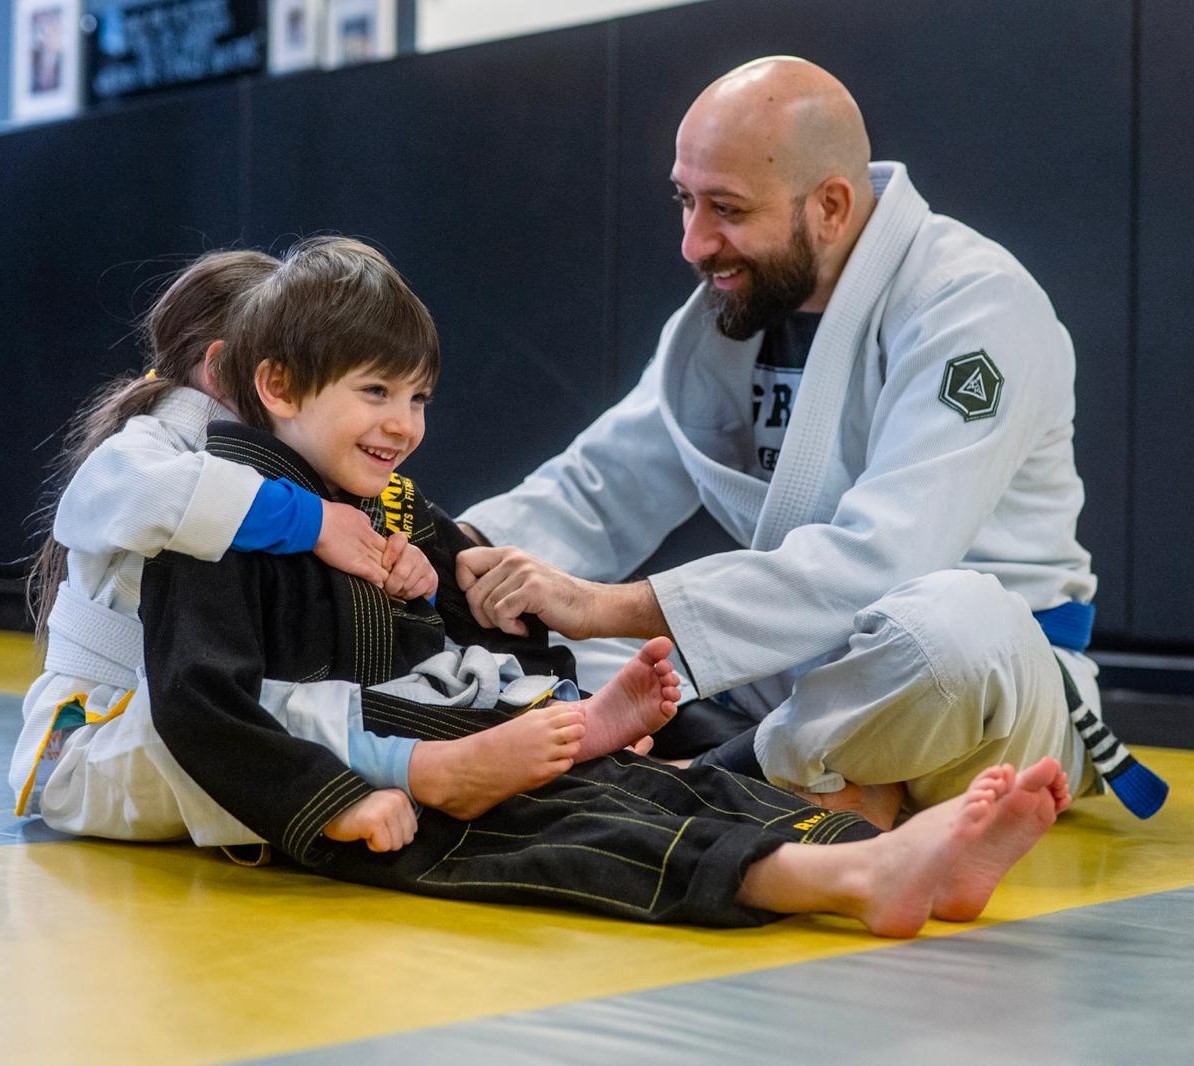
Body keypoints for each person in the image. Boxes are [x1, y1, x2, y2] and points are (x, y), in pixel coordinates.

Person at [140, 233, 1072, 935]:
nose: (404, 424)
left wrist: (460, 582)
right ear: (273, 384)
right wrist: (333, 797)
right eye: (375, 394)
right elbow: (199, 701)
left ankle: (896, 855)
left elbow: (478, 587)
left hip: (463, 724)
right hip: (388, 773)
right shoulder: (210, 512)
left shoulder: (378, 497)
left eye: (417, 397)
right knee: (592, 829)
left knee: (651, 786)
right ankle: (853, 879)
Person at [454, 56, 1166, 827]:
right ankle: (843, 784)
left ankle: (722, 771)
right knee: (526, 647)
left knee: (951, 626)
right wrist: (446, 550)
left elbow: (883, 563)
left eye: (725, 208)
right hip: (801, 673)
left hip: (972, 687)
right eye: (684, 201)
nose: (694, 243)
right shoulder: (733, 314)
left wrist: (608, 602)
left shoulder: (972, 306)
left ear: (829, 205)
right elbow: (600, 485)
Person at [11, 248, 448, 833]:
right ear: (228, 370)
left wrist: (407, 571)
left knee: (364, 699)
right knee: (280, 720)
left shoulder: (297, 461)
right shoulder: (162, 440)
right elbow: (121, 491)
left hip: (162, 720)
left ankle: (419, 764)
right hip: (92, 744)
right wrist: (313, 521)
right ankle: (398, 776)